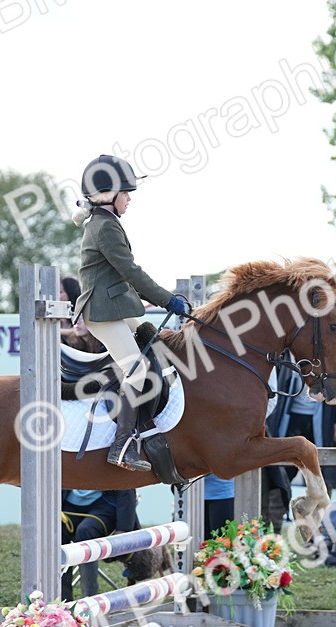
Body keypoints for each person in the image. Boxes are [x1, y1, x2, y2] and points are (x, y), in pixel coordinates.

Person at [71, 153, 189, 471]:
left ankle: (145, 422)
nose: (129, 200)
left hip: (114, 306)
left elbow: (123, 278)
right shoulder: (105, 228)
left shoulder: (106, 222)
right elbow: (131, 272)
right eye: (126, 193)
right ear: (110, 195)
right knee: (136, 371)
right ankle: (122, 446)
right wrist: (167, 300)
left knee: (153, 338)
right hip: (101, 311)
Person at [266, 307, 336, 490]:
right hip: (288, 418)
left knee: (321, 484)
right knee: (276, 482)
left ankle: (316, 519)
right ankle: (272, 517)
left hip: (326, 421)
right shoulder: (293, 317)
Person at [60, 488, 139, 600]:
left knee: (85, 531)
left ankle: (89, 600)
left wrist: (124, 528)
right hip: (67, 501)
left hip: (104, 503)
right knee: (56, 532)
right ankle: (62, 603)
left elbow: (127, 486)